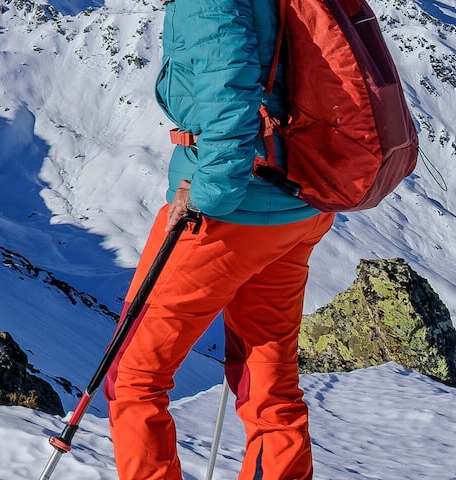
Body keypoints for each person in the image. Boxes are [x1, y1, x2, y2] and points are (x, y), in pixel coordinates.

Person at [106, 0, 337, 479]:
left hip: (232, 215)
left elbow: (229, 97)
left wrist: (207, 197)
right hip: (299, 205)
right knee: (269, 379)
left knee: (133, 378)